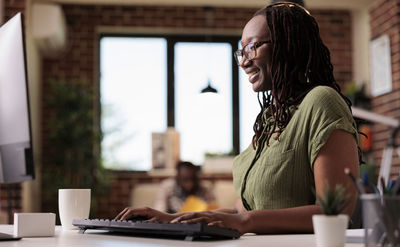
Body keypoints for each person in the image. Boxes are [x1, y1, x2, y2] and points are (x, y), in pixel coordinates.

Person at [115, 2, 360, 234]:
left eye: (253, 47)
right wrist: (172, 220)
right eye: (241, 51)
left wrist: (244, 221)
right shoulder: (270, 119)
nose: (243, 62)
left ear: (288, 45)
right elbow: (241, 211)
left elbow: (335, 212)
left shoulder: (321, 102)